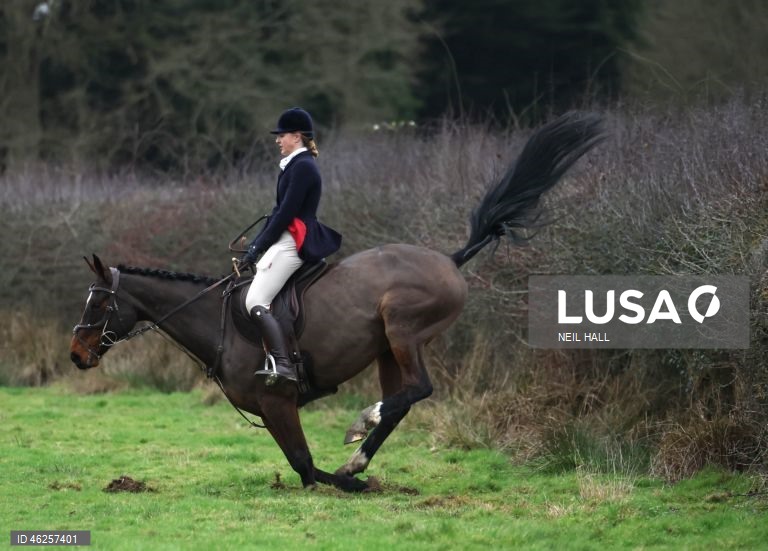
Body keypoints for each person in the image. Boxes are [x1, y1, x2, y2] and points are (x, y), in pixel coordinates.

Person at [240, 107, 342, 385]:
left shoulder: (304, 167)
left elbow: (285, 214)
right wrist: (256, 245)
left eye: (281, 135)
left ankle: (283, 363)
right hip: (284, 237)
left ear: (296, 136)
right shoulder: (296, 165)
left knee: (254, 301)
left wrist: (258, 248)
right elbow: (277, 212)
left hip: (294, 241)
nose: (277, 140)